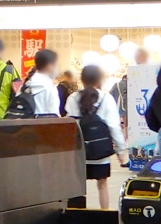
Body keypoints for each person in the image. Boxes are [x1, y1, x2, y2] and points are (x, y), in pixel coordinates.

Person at [65, 63, 127, 207]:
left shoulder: (73, 98)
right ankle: (104, 216)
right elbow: (114, 127)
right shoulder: (106, 98)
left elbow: (69, 125)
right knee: (102, 185)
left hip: (79, 151)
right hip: (101, 151)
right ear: (100, 79)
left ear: (82, 79)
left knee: (78, 188)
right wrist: (121, 151)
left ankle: (77, 218)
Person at [21, 49, 61, 116]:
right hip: (41, 126)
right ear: (49, 66)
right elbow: (54, 118)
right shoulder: (50, 88)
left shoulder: (24, 86)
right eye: (57, 65)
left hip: (23, 126)